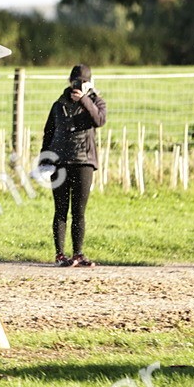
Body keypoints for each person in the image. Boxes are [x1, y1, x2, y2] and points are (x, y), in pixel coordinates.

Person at [40, 64, 107, 267]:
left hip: (84, 162)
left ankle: (78, 254)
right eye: (75, 82)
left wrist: (84, 99)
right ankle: (60, 255)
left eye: (82, 82)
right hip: (60, 163)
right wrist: (44, 161)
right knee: (60, 210)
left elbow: (99, 120)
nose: (78, 86)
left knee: (79, 211)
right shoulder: (58, 105)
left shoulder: (96, 102)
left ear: (89, 83)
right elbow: (48, 133)